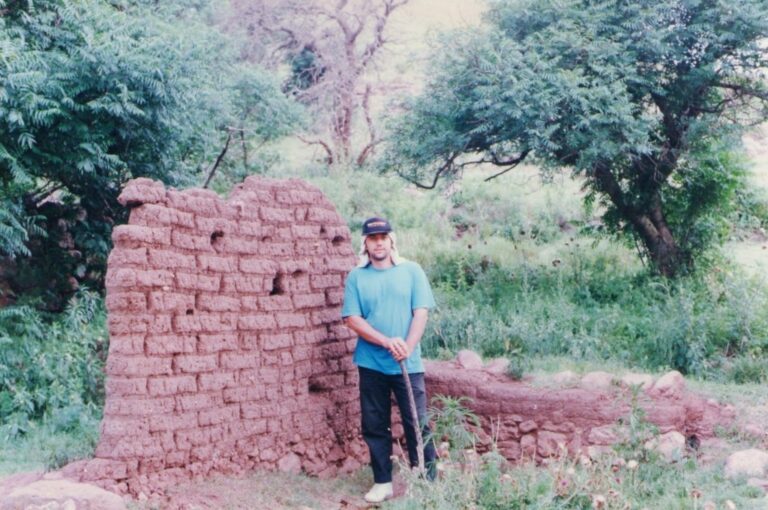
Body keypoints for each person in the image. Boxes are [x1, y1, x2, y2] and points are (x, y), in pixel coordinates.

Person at [341, 216, 437, 503]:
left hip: (408, 363)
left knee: (417, 422)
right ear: (365, 243)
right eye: (373, 238)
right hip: (371, 363)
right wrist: (386, 342)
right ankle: (382, 481)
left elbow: (421, 312)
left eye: (383, 237)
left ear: (391, 240)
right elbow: (352, 318)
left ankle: (426, 480)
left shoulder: (411, 270)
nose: (379, 243)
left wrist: (407, 346)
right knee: (375, 423)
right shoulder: (357, 277)